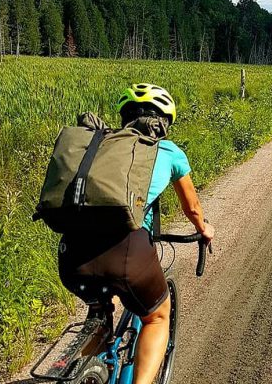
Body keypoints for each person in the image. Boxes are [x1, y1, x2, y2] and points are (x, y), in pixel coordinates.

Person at [57, 83, 214, 384]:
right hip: (127, 253)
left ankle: (90, 368)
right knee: (156, 316)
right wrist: (203, 229)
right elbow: (192, 208)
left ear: (125, 117)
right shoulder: (169, 151)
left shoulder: (101, 145)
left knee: (100, 309)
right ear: (164, 122)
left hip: (72, 255)